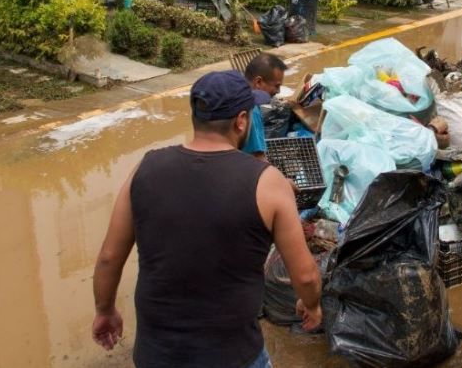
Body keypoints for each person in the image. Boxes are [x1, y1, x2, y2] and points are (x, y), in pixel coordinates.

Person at [91, 70, 322, 367]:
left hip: (156, 356)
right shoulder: (268, 183)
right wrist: (312, 304)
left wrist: (105, 311)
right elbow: (304, 275)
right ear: (241, 121)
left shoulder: (145, 169)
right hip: (234, 356)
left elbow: (109, 258)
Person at [242, 53, 287, 159]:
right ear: (258, 82)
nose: (278, 91)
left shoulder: (234, 95)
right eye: (277, 86)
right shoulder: (252, 111)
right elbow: (259, 158)